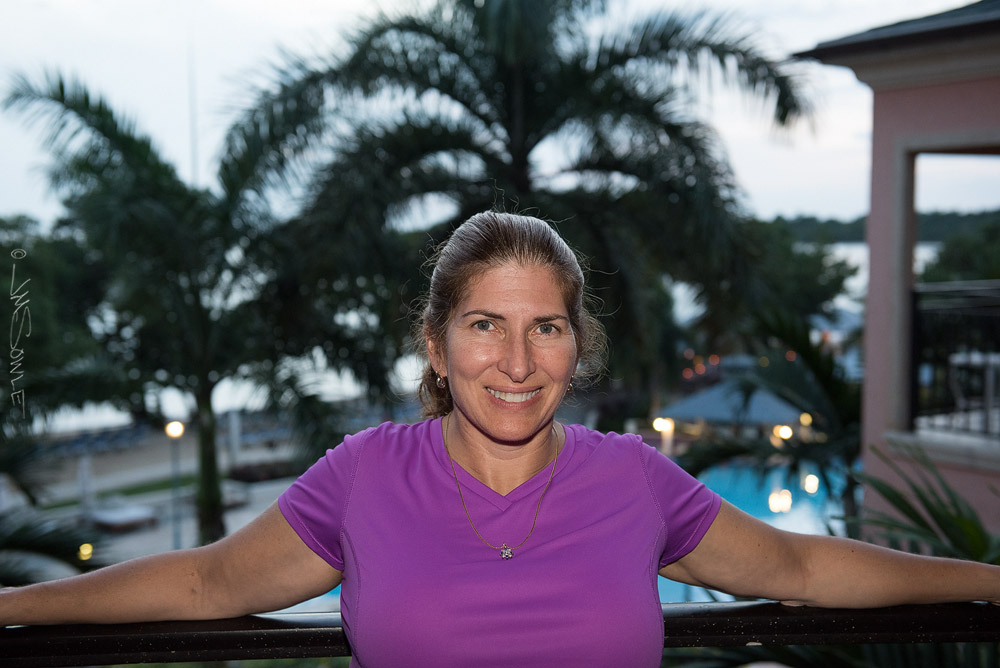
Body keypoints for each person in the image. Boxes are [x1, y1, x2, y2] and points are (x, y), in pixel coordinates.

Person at [1, 211, 997, 666]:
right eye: (485, 325)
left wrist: (988, 581)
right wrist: (14, 604)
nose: (517, 362)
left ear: (577, 343)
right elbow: (205, 583)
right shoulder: (365, 475)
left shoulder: (634, 479)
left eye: (545, 327)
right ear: (436, 345)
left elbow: (802, 565)